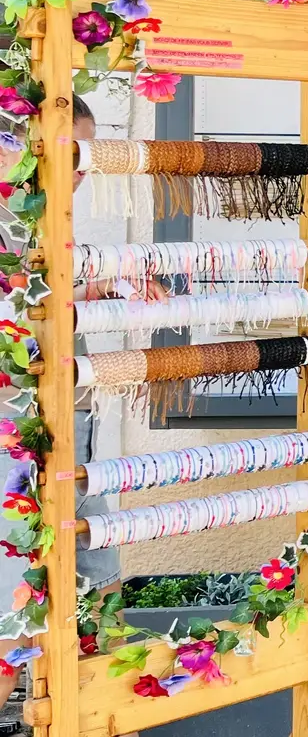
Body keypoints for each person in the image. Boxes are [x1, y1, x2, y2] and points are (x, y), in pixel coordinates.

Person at [0, 98, 126, 670]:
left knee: (100, 583)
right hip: (18, 439)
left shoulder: (46, 225)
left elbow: (43, 305)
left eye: (87, 156)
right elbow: (19, 323)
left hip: (72, 433)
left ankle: (105, 707)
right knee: (15, 612)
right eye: (72, 153)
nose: (82, 170)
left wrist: (99, 290)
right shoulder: (11, 223)